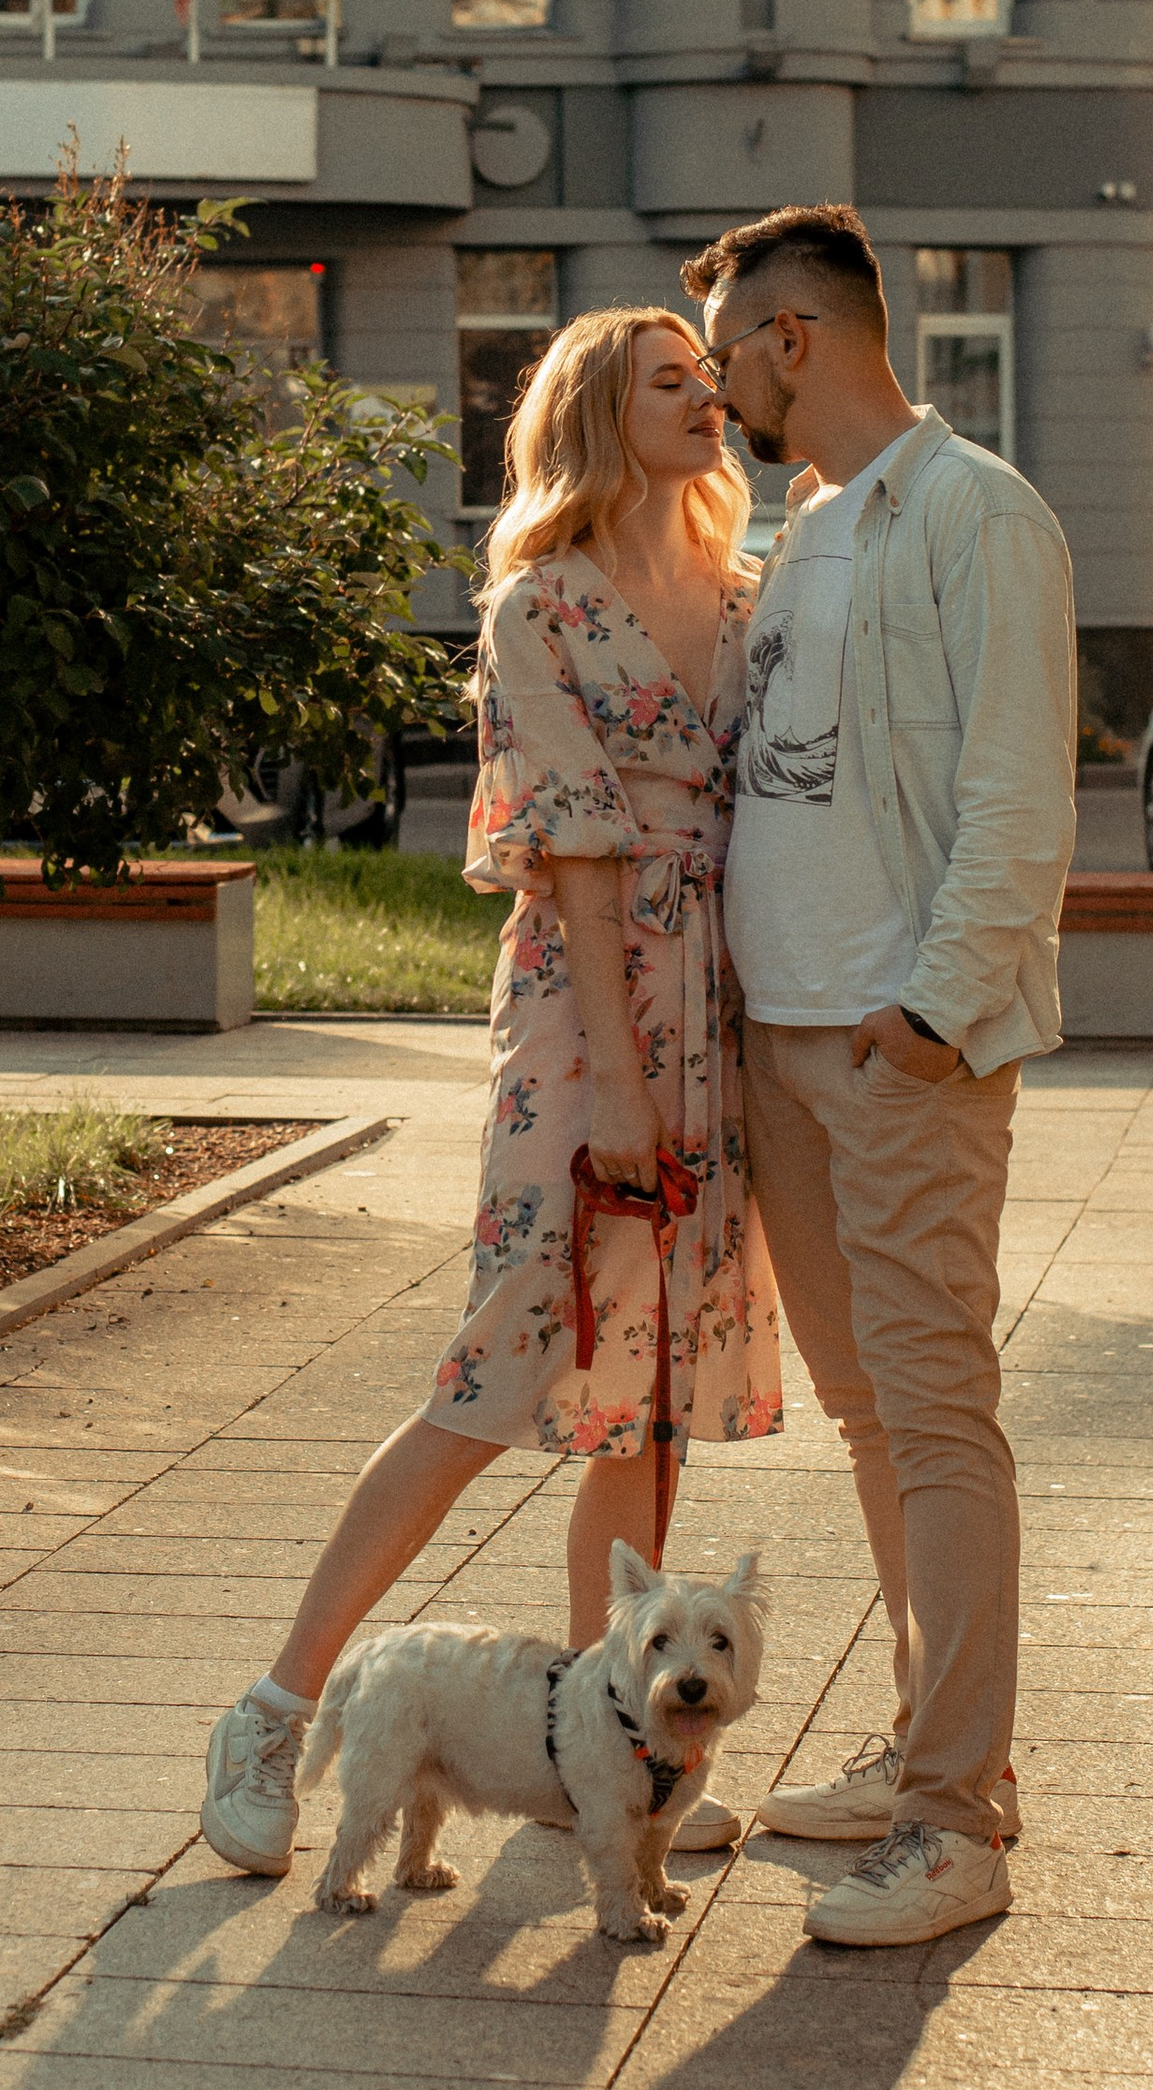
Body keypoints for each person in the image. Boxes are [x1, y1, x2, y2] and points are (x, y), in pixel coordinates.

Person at [202, 305, 783, 1878]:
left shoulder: (743, 595)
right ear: (599, 412)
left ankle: (623, 1747)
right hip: (589, 1026)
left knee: (649, 1402)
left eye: (711, 378)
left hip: (712, 1012)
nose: (707, 399)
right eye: (672, 381)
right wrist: (611, 1082)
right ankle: (273, 1707)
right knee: (497, 1373)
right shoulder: (538, 606)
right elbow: (578, 850)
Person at [681, 202, 1076, 1950]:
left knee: (934, 1411)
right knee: (870, 1419)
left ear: (792, 341)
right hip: (787, 1042)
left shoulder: (977, 514)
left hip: (897, 1046)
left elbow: (1015, 797)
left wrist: (931, 1012)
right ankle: (925, 1747)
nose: (715, 390)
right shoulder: (816, 523)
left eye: (723, 353)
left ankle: (957, 1817)